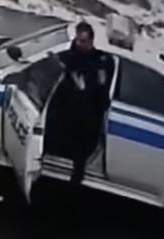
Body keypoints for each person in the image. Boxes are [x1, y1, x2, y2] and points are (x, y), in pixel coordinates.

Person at [55, 21, 115, 185]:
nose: (79, 43)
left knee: (81, 144)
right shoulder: (68, 57)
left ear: (91, 41)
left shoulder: (100, 61)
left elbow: (100, 91)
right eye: (78, 39)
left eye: (83, 40)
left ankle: (76, 177)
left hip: (88, 114)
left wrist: (84, 87)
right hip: (66, 108)